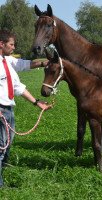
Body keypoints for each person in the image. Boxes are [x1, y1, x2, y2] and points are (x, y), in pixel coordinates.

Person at [0, 29, 51, 187]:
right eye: (11, 44)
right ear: (1, 44)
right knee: (1, 147)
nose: (14, 47)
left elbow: (18, 87)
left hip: (8, 110)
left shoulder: (7, 61)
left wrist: (37, 102)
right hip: (0, 110)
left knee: (6, 146)